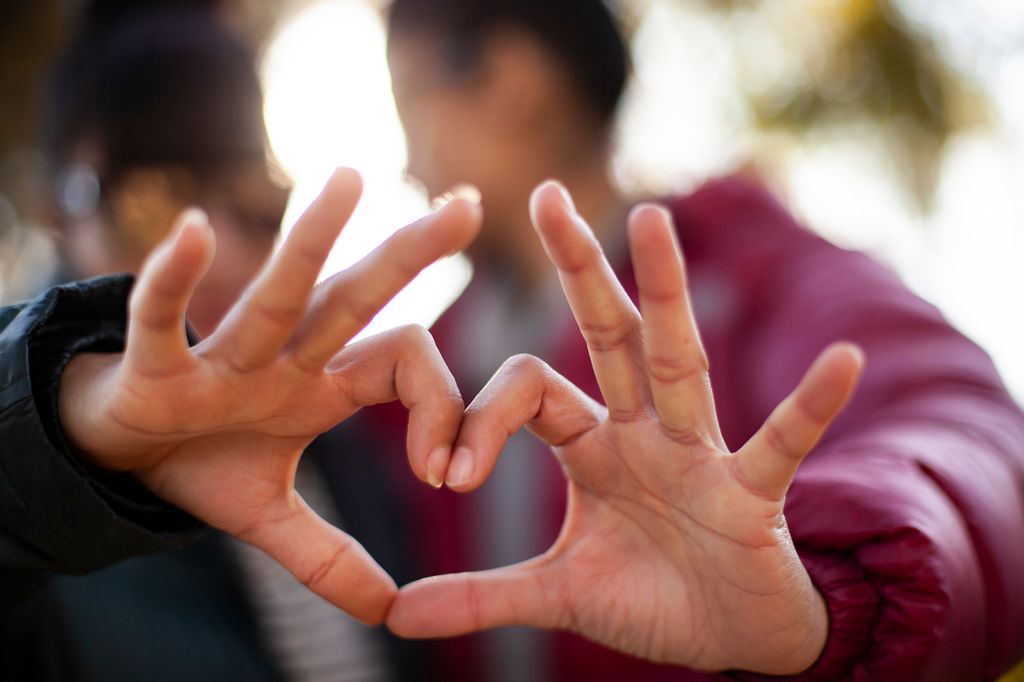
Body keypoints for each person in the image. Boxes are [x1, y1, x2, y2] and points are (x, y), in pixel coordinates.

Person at [371, 0, 1024, 679]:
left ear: (513, 80)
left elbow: (975, 434)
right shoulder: (415, 378)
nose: (410, 167)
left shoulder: (752, 271)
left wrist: (835, 591)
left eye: (409, 101)